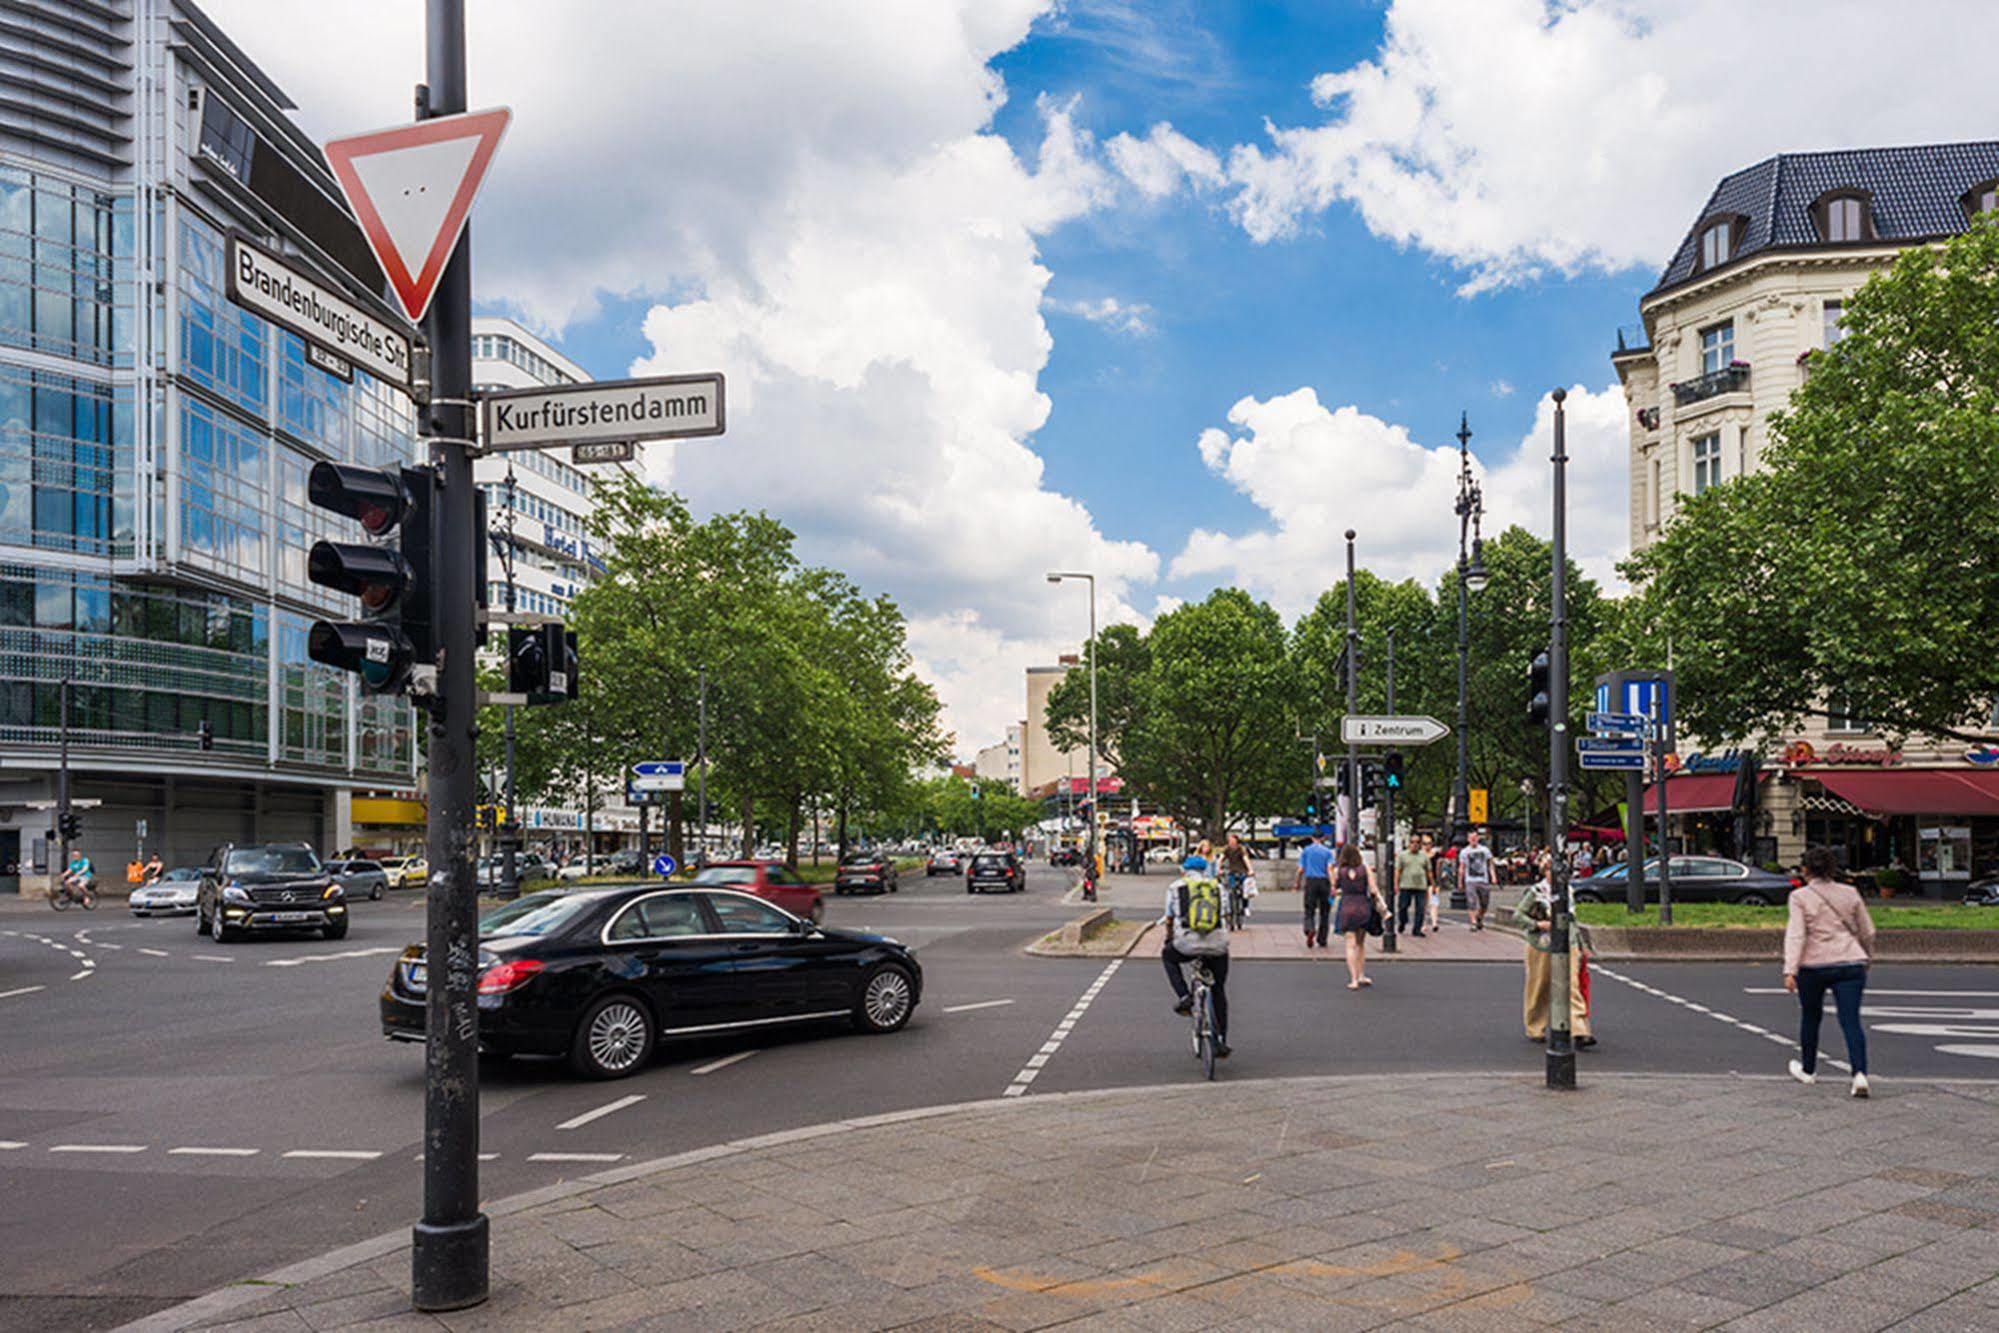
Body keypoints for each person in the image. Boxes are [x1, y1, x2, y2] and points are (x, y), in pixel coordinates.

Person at [1784, 846, 1876, 1098]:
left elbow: (1797, 934)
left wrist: (1790, 969)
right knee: (1851, 1021)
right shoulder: (1850, 892)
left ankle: (1809, 1069)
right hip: (1850, 961)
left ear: (1805, 870)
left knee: (1811, 1017)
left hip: (1813, 965)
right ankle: (1859, 1074)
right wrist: (1866, 955)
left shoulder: (1800, 897)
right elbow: (1868, 931)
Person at [1514, 868, 1593, 1047]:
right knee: (1539, 986)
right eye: (1553, 871)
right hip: (1541, 944)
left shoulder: (1568, 891)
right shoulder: (1537, 892)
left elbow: (1573, 920)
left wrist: (1582, 945)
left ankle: (1580, 1030)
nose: (1558, 875)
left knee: (1572, 986)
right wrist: (1537, 924)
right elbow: (1517, 916)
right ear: (1546, 873)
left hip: (1568, 942)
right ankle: (1535, 1027)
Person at [1161, 854, 1230, 1057]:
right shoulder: (1217, 887)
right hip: (1217, 944)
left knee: (1168, 956)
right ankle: (1221, 1040)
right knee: (1218, 990)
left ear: (1184, 870)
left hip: (1186, 943)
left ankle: (1184, 997)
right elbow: (1225, 914)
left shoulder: (1176, 887)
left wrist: (1169, 938)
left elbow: (1169, 918)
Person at [1331, 842, 1381, 990]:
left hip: (1347, 906)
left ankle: (1353, 980)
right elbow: (1373, 889)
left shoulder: (1339, 871)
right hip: (1362, 906)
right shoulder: (1365, 869)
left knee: (1350, 944)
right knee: (1360, 943)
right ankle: (1361, 975)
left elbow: (1334, 888)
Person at [1295, 831, 1335, 948]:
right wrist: (1333, 885)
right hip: (1324, 882)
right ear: (1322, 838)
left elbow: (1300, 870)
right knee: (1325, 913)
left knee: (1309, 909)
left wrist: (1297, 883)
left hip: (1311, 882)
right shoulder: (1328, 852)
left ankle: (1310, 928)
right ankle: (1322, 939)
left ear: (1312, 838)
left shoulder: (1306, 851)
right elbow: (1330, 869)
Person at [1393, 835, 1431, 938]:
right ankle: (1402, 922)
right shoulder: (1402, 855)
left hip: (1421, 886)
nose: (1415, 844)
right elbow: (1398, 871)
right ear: (1409, 843)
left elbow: (1429, 871)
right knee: (1403, 907)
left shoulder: (1424, 856)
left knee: (1420, 909)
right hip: (1405, 885)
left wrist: (1432, 884)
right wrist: (1396, 884)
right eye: (1412, 842)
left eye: (1417, 842)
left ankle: (1417, 929)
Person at [1460, 828, 1495, 931]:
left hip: (1483, 879)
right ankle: (1473, 922)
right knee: (1471, 901)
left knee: (1485, 903)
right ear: (1468, 839)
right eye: (1471, 838)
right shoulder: (1464, 852)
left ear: (1478, 838)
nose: (1473, 839)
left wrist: (1493, 876)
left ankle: (1479, 917)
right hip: (1470, 880)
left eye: (1475, 837)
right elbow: (1462, 867)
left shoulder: (1485, 850)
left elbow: (1490, 864)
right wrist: (1460, 881)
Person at [1219, 833, 1252, 924]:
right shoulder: (1227, 849)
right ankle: (1231, 908)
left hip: (1242, 871)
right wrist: (1218, 869)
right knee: (1231, 889)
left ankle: (1245, 907)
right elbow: (1221, 859)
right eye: (1230, 841)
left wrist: (1250, 870)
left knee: (1245, 890)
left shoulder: (1241, 849)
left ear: (1237, 841)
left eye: (1233, 840)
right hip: (1231, 871)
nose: (1231, 842)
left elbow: (1246, 859)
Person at [1421, 833, 1443, 933]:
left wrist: (1438, 882)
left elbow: (1438, 869)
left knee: (1434, 903)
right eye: (1425, 843)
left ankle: (1434, 923)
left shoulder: (1436, 855)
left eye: (1429, 843)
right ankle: (1423, 924)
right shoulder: (1419, 855)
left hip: (1432, 882)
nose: (1427, 846)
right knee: (1423, 904)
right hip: (1421, 882)